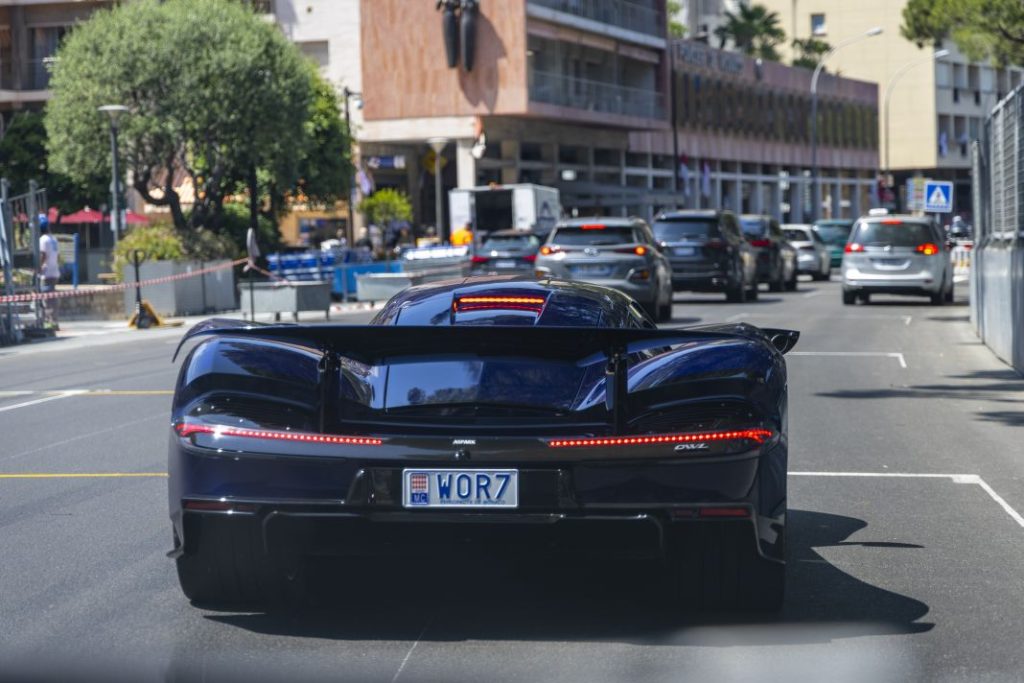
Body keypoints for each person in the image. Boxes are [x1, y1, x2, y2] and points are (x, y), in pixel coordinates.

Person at [38, 220, 60, 327]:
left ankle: (49, 322)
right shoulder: (53, 239)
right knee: (53, 297)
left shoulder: (43, 239)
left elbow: (43, 255)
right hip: (54, 271)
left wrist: (38, 268)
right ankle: (54, 320)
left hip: (46, 272)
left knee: (47, 299)